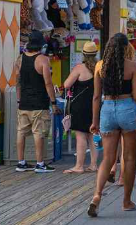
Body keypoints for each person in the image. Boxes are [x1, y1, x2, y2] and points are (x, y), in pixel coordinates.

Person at [87, 33, 136, 217]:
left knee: (107, 158)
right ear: (126, 48)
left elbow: (95, 96)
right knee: (129, 157)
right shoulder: (133, 67)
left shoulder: (99, 66)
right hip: (127, 108)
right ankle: (127, 201)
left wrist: (95, 122)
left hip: (107, 110)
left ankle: (96, 196)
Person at [14, 30, 59, 173]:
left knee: (21, 132)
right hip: (39, 103)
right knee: (39, 133)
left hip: (24, 103)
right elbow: (48, 83)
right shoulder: (43, 60)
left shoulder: (20, 59)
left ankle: (21, 162)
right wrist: (53, 102)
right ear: (41, 45)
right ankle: (40, 164)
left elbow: (18, 82)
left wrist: (19, 99)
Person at [62, 41, 99, 173]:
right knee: (92, 135)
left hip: (80, 105)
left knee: (81, 136)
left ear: (83, 54)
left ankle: (79, 166)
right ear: (95, 54)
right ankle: (94, 165)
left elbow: (66, 84)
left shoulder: (79, 68)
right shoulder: (100, 67)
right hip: (95, 105)